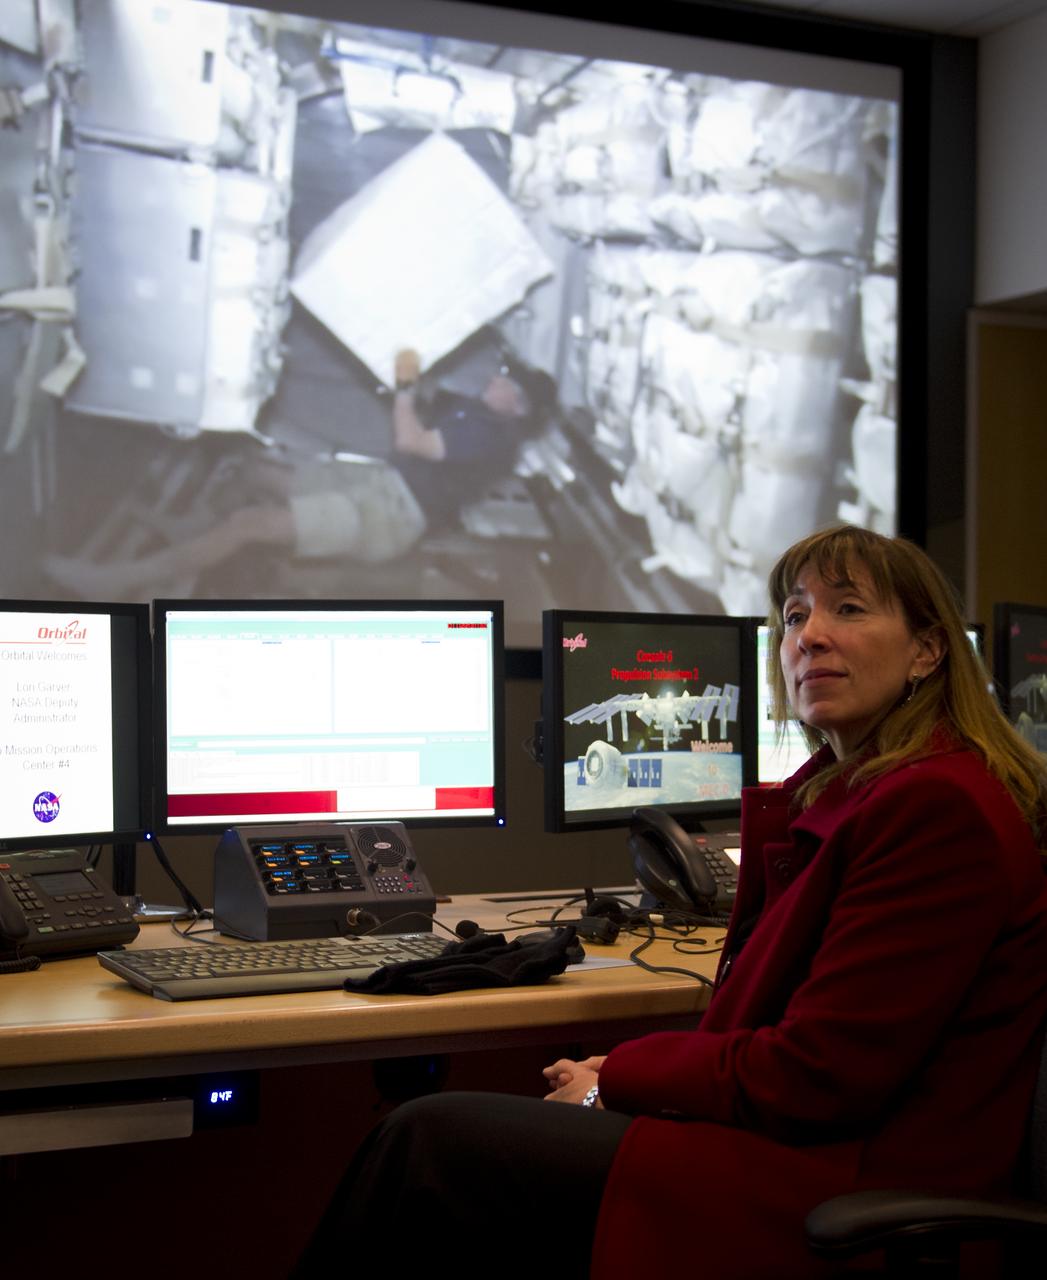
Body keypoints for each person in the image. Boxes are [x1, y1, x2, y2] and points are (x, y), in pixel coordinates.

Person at [295, 525, 1047, 1279]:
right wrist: (623, 1074)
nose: (809, 637)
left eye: (848, 610)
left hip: (850, 1182)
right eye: (792, 617)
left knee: (429, 1142)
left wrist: (617, 1076)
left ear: (926, 650)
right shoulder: (864, 795)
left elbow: (820, 1075)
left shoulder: (934, 809)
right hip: (812, 1150)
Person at [40, 354, 553, 598]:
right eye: (504, 375)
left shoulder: (493, 438)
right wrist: (413, 385)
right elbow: (420, 424)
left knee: (251, 524)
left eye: (510, 385)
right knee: (253, 471)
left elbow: (411, 440)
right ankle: (186, 545)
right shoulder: (480, 416)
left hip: (386, 517)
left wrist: (404, 389)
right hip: (377, 488)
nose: (497, 380)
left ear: (519, 408)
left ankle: (114, 583)